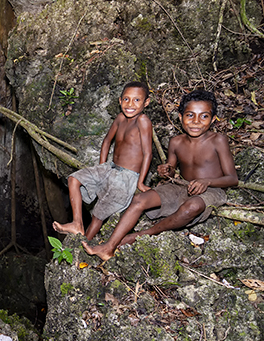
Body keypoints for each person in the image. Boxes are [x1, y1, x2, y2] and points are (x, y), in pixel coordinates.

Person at [85, 89, 238, 261]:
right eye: (190, 115)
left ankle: (146, 233)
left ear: (213, 119)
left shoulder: (218, 140)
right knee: (139, 200)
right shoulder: (176, 142)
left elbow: (232, 179)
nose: (196, 122)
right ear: (180, 117)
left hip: (211, 190)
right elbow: (171, 170)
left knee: (191, 208)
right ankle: (109, 246)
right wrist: (166, 170)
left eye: (203, 116)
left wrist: (207, 182)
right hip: (181, 185)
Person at [53, 81, 153, 243]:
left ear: (146, 102)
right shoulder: (120, 118)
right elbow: (107, 141)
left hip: (127, 176)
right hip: (109, 167)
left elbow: (148, 152)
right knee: (74, 179)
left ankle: (83, 245)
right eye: (126, 99)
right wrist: (101, 165)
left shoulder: (142, 121)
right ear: (120, 101)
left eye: (137, 100)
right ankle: (77, 223)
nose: (130, 104)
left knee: (98, 215)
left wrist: (141, 183)